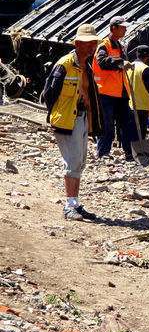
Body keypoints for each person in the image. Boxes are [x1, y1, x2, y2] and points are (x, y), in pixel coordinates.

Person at [42, 24, 103, 220]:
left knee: (80, 162)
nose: (91, 47)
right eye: (87, 43)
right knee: (72, 162)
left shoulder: (87, 66)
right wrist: (55, 117)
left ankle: (75, 204)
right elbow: (49, 94)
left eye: (93, 44)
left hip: (83, 117)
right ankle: (69, 206)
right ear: (77, 43)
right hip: (68, 119)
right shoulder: (64, 64)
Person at [92, 16, 136, 161]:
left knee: (126, 124)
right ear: (114, 28)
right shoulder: (104, 45)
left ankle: (129, 153)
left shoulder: (120, 45)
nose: (125, 30)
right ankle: (103, 152)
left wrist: (124, 63)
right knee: (107, 125)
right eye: (122, 27)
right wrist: (120, 63)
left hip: (121, 92)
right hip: (106, 92)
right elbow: (102, 62)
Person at [126, 45, 149, 165]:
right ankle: (140, 154)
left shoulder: (129, 67)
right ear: (147, 56)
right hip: (142, 104)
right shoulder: (145, 69)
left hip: (130, 102)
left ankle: (130, 153)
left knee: (131, 129)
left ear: (137, 54)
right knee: (141, 130)